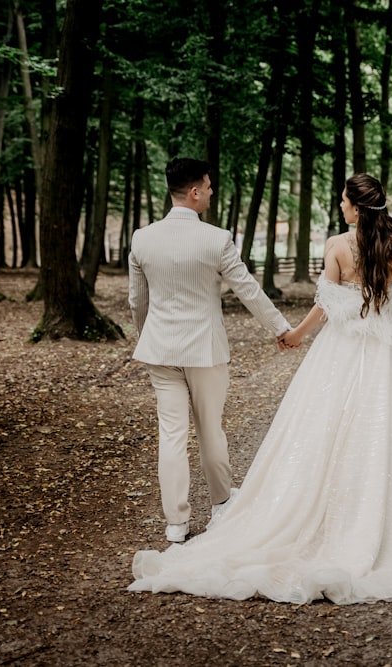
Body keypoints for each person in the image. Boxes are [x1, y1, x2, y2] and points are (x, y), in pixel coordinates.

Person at [129, 173, 392, 603]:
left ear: (355, 207)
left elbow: (326, 305)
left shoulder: (337, 246)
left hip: (341, 351)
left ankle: (194, 524)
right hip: (387, 353)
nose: (340, 206)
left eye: (343, 201)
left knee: (322, 431)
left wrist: (294, 333)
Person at [128, 157, 292, 544]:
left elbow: (138, 301)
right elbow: (247, 289)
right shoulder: (216, 239)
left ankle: (176, 523)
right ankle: (221, 503)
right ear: (194, 191)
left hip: (161, 351)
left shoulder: (142, 238)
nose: (212, 192)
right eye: (209, 185)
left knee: (171, 434)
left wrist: (146, 336)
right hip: (205, 350)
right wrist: (281, 328)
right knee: (209, 429)